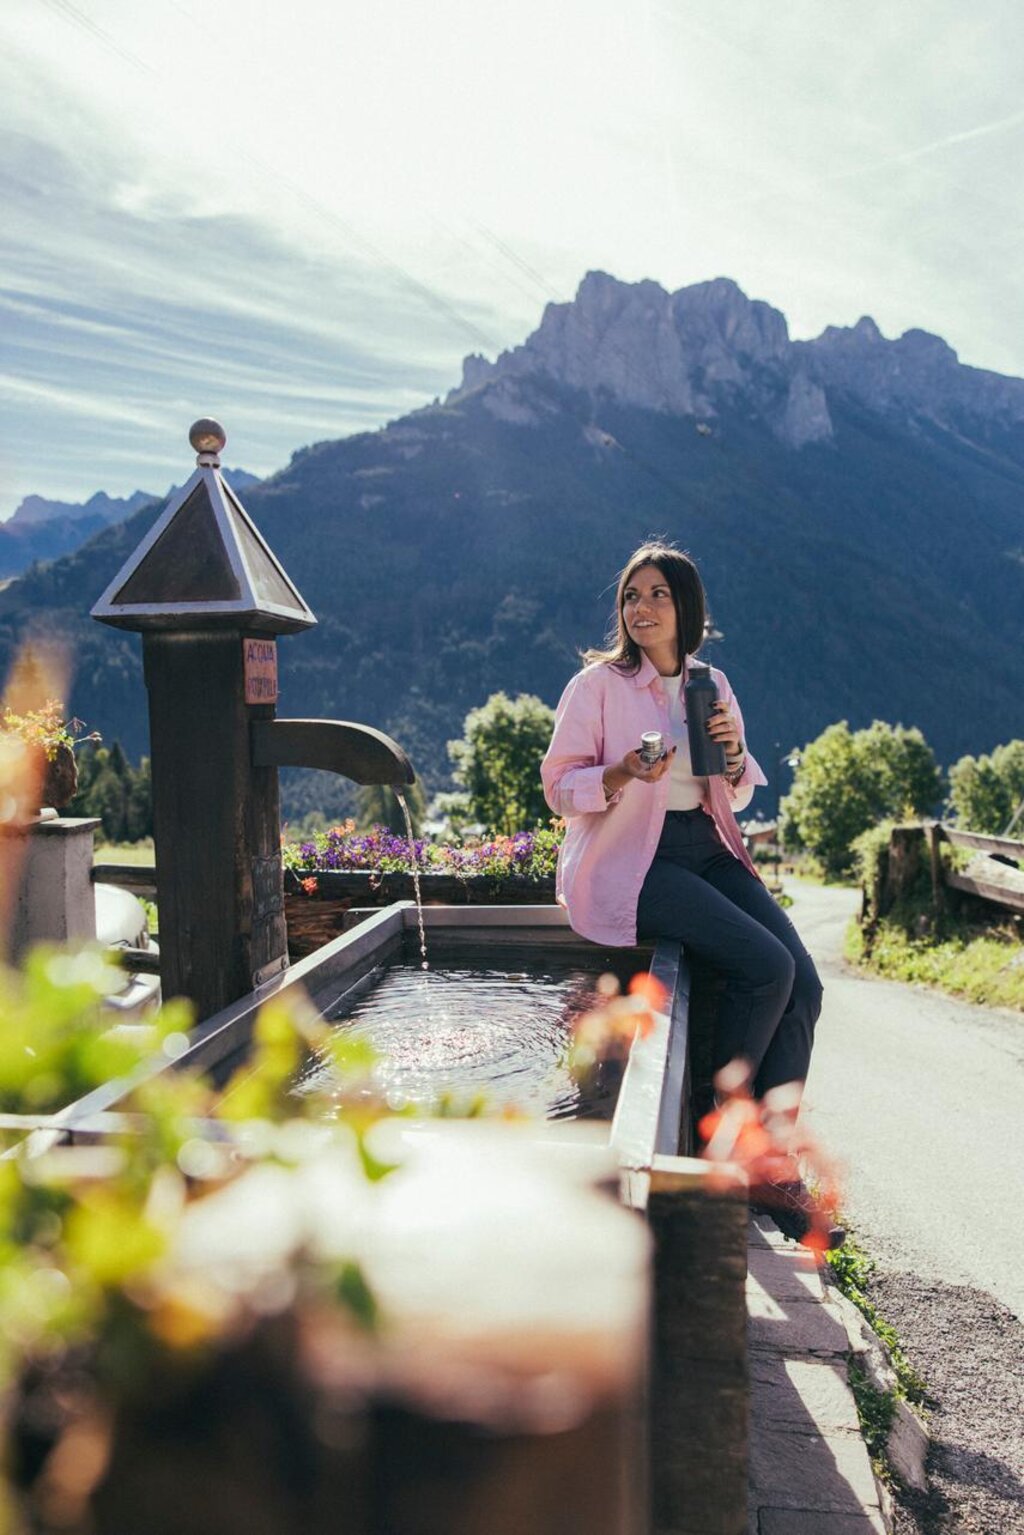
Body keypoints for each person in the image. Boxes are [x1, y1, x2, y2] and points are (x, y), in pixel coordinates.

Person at [541, 541, 841, 1247]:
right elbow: (559, 787)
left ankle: (767, 1152)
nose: (640, 608)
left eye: (656, 595)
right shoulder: (598, 687)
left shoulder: (710, 683)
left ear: (685, 608)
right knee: (765, 966)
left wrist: (734, 754)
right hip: (633, 861)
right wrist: (619, 772)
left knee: (806, 985)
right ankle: (723, 1138)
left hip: (707, 846)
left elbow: (731, 786)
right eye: (630, 596)